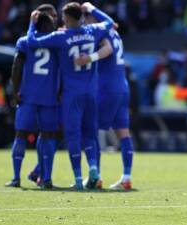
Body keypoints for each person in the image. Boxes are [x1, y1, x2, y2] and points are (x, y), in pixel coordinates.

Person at [26, 2, 114, 189]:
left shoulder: (61, 36)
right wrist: (91, 9)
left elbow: (32, 42)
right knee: (90, 135)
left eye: (64, 18)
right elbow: (110, 22)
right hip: (91, 92)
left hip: (71, 94)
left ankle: (77, 180)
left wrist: (32, 24)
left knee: (73, 136)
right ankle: (93, 169)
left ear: (68, 19)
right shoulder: (92, 31)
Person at [76, 8, 134, 190]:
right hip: (122, 86)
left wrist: (90, 58)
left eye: (86, 18)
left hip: (106, 87)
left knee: (91, 130)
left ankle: (97, 177)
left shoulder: (99, 31)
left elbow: (107, 49)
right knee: (123, 133)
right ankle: (126, 177)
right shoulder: (115, 32)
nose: (85, 23)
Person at [5, 9, 59, 189]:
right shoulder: (57, 43)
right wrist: (60, 93)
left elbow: (16, 67)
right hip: (49, 98)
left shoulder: (24, 42)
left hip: (27, 96)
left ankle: (15, 177)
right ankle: (46, 178)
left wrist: (15, 91)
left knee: (20, 134)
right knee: (48, 135)